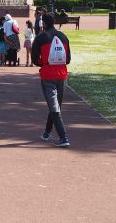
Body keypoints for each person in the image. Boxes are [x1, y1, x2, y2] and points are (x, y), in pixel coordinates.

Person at [31, 12, 71, 148]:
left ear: (44, 23)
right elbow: (68, 59)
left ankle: (63, 137)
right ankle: (47, 133)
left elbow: (35, 60)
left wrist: (45, 63)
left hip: (48, 75)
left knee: (54, 106)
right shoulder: (64, 37)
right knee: (55, 106)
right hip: (62, 74)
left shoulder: (40, 38)